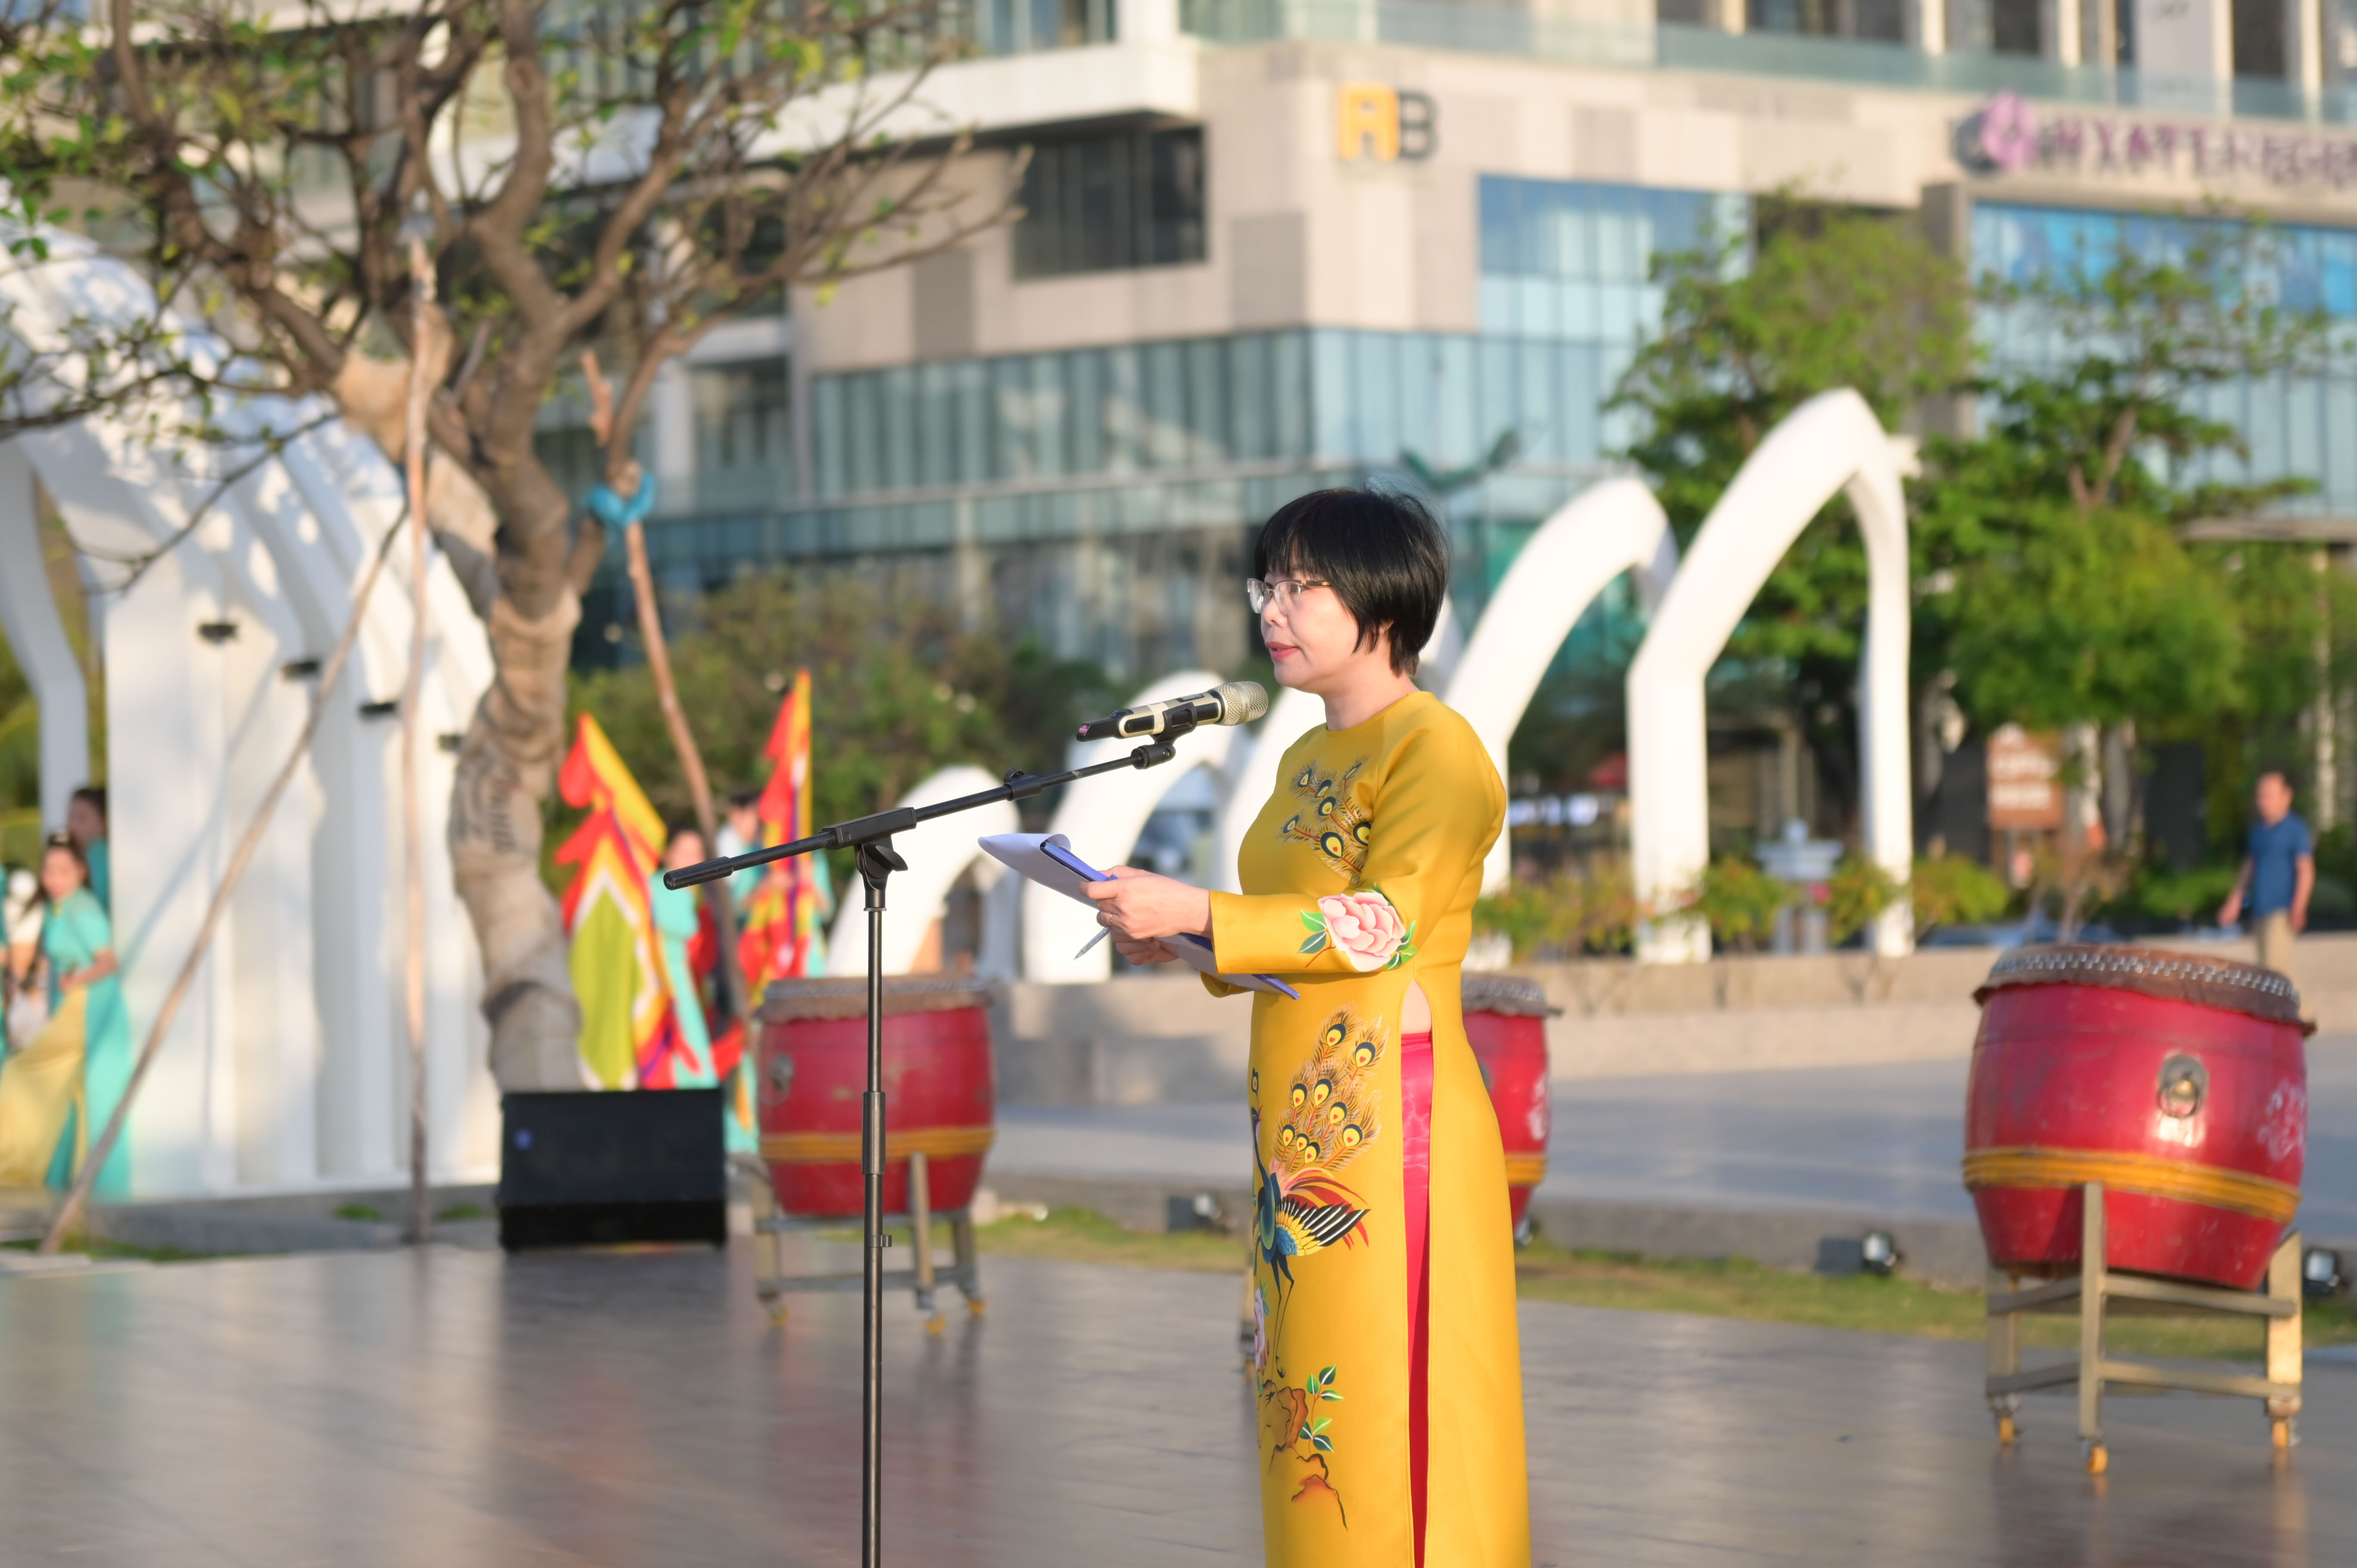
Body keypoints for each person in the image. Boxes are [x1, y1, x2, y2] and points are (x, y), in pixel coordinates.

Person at [1084, 489, 1527, 1567]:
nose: (1271, 610)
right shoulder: (1299, 760)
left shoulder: (1435, 748)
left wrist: (1198, 910)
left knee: (1392, 1405)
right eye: (1265, 586)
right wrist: (1189, 944)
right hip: (1300, 1142)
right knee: (1307, 1412)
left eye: (1300, 585)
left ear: (1382, 602)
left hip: (1393, 1129)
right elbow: (1289, 946)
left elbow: (1380, 926)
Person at [0, 834, 133, 1194]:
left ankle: (12, 1158)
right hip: (73, 1009)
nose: (54, 879)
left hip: (85, 1011)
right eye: (49, 870)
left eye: (64, 871)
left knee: (18, 1072)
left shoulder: (84, 909)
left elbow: (108, 961)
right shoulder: (63, 908)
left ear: (81, 870)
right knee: (56, 1091)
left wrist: (77, 977)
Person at [2220, 770, 2314, 985]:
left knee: (2277, 970)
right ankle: (2284, 1016)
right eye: (2260, 796)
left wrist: (2299, 906)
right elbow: (2250, 867)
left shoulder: (2295, 830)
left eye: (2268, 796)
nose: (2262, 802)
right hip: (2261, 910)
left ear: (2286, 796)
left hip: (2282, 910)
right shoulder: (2259, 832)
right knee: (2265, 972)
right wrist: (2235, 901)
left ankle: (2301, 1015)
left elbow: (2306, 870)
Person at [647, 823, 720, 1090]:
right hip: (662, 983)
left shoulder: (695, 896)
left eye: (697, 854)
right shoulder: (657, 888)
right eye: (684, 853)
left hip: (683, 983)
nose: (692, 861)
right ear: (667, 854)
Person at [66, 786, 109, 911]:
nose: (73, 825)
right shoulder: (83, 855)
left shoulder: (100, 857)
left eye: (82, 818)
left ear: (104, 821)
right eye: (71, 817)